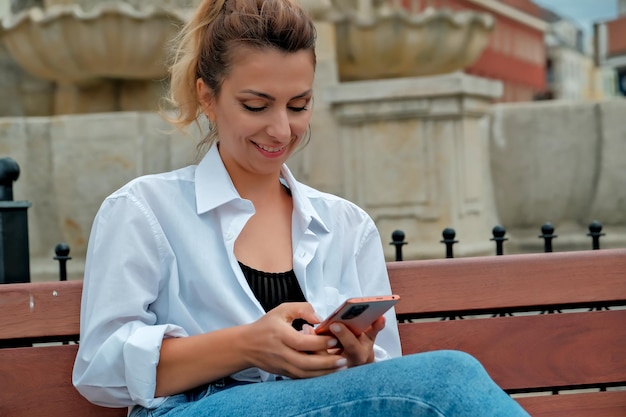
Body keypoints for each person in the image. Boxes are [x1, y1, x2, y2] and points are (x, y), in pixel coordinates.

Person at [73, 1, 531, 416]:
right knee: (448, 379)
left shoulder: (346, 225)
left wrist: (357, 357)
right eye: (256, 105)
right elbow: (98, 370)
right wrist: (248, 346)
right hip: (195, 409)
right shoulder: (144, 209)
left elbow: (385, 378)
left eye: (299, 105)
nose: (280, 130)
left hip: (316, 406)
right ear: (207, 97)